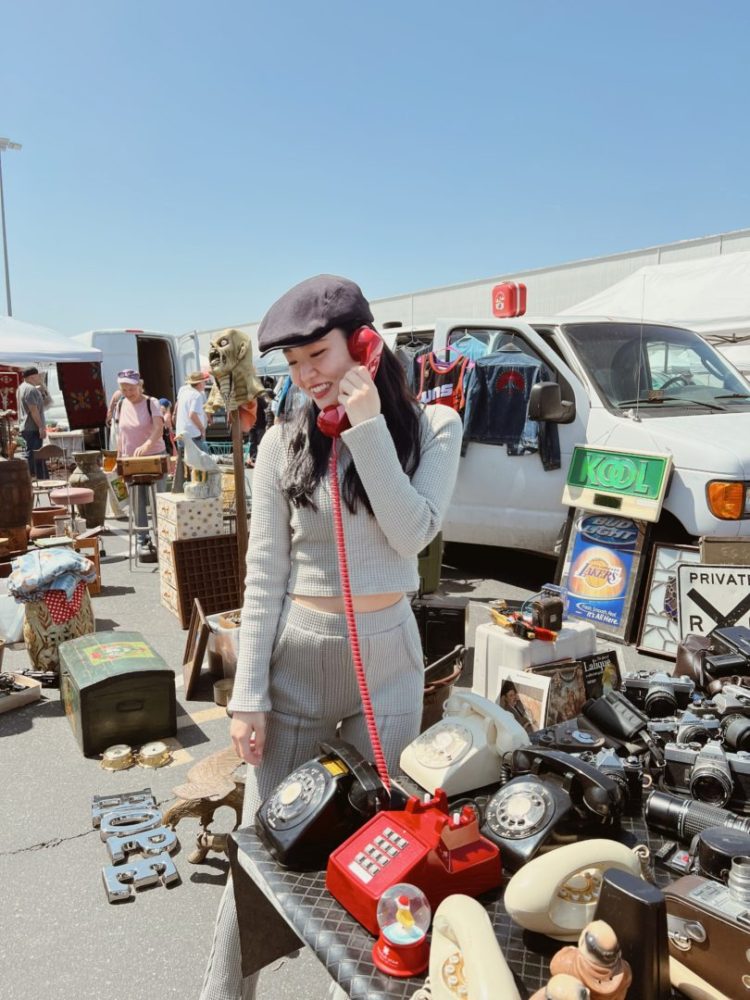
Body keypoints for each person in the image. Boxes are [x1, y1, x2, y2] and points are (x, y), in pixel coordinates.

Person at [199, 275, 463, 1000]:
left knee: (384, 857)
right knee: (265, 856)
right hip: (302, 660)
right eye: (294, 364)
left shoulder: (436, 428)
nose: (309, 376)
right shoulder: (282, 445)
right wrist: (247, 693)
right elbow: (263, 577)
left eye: (319, 354)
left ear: (365, 344)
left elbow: (411, 532)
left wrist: (370, 426)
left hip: (390, 664)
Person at [114, 369, 167, 561]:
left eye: (131, 388)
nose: (128, 392)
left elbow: (158, 428)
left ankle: (163, 537)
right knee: (137, 502)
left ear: (139, 385)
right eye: (124, 389)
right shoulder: (121, 404)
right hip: (130, 459)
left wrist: (146, 445)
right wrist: (118, 457)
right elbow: (121, 434)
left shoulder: (150, 402)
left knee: (158, 500)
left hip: (153, 456)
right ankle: (142, 540)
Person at [172, 371, 209, 492]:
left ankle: (186, 488)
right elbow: (192, 414)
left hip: (182, 432)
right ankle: (202, 489)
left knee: (185, 464)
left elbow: (177, 407)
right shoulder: (197, 395)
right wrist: (202, 428)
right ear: (199, 383)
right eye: (204, 382)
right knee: (202, 462)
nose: (205, 384)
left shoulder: (183, 391)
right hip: (192, 434)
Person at [17, 366, 49, 478]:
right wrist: (41, 427)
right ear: (31, 376)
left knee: (31, 456)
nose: (39, 377)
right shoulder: (30, 389)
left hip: (26, 428)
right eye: (37, 375)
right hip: (32, 428)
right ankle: (41, 481)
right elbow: (33, 410)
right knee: (36, 457)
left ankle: (34, 480)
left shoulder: (21, 387)